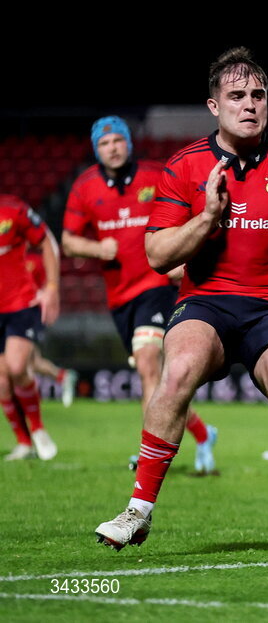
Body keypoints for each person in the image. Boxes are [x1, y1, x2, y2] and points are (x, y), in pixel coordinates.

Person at [94, 48, 268, 562]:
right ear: (214, 105)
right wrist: (206, 219)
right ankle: (137, 510)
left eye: (257, 95)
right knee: (176, 371)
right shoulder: (185, 167)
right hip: (205, 302)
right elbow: (158, 255)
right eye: (236, 96)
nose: (249, 105)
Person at [63, 116, 217, 471]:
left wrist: (182, 258)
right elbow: (69, 241)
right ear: (95, 150)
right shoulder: (85, 186)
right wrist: (94, 249)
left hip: (156, 285)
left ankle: (148, 455)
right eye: (104, 143)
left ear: (129, 143)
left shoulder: (155, 175)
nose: (112, 148)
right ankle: (203, 433)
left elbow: (189, 215)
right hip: (119, 297)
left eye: (118, 140)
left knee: (149, 365)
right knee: (161, 382)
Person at [1, 194, 60, 461]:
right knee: (2, 383)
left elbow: (47, 241)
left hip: (19, 304)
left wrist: (51, 288)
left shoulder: (13, 209)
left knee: (16, 367)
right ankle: (23, 443)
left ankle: (37, 428)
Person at [24, 249, 78, 407]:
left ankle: (26, 402)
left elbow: (46, 285)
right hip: (12, 312)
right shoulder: (10, 254)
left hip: (29, 313)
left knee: (25, 360)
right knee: (32, 361)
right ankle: (63, 377)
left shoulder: (38, 258)